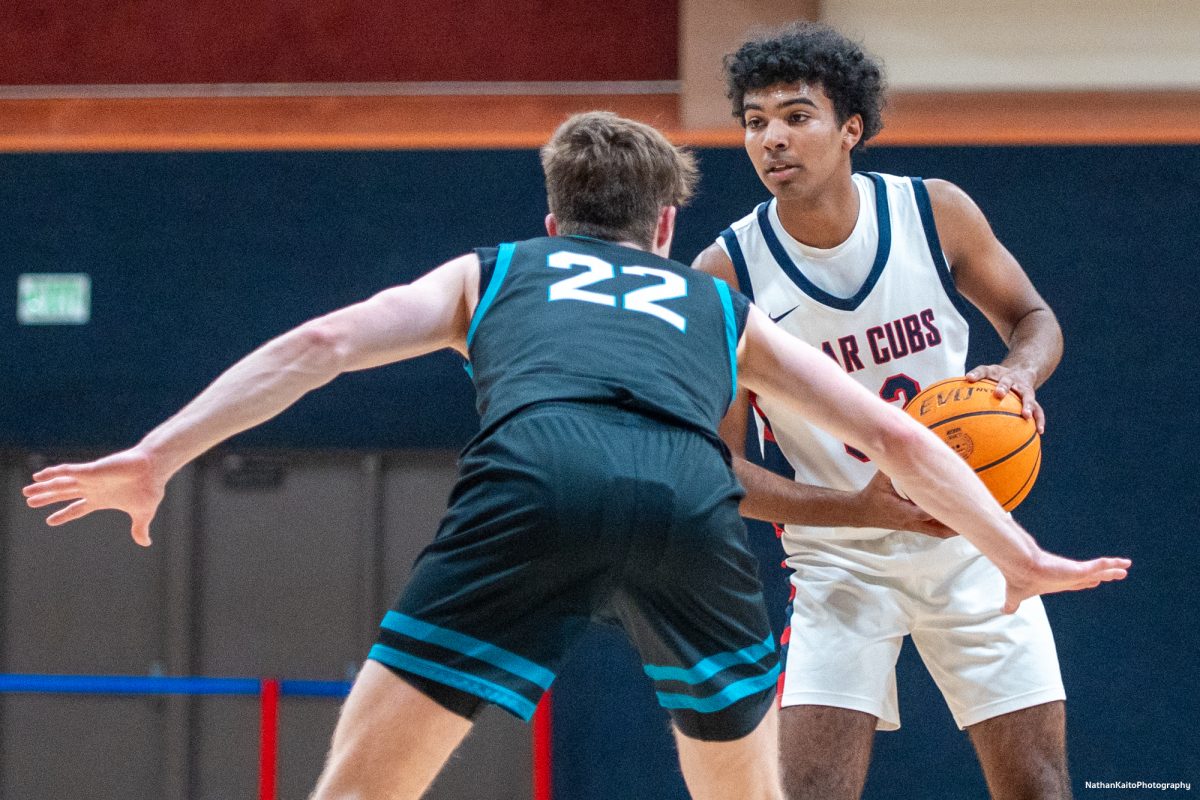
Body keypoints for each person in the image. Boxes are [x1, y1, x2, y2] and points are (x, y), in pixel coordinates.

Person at [23, 112, 1126, 800]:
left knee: (362, 787)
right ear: (660, 229)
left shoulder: (494, 270)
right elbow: (893, 436)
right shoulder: (714, 301)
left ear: (554, 219)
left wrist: (157, 453)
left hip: (535, 485)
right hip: (691, 507)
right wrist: (1017, 553)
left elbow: (320, 347)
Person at [693, 22, 1093, 800]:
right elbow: (715, 468)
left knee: (1040, 787)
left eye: (796, 116)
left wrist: (1018, 374)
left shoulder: (932, 212)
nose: (771, 137)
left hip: (970, 534)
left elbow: (1034, 319)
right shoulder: (724, 272)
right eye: (754, 121)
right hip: (841, 557)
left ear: (851, 129)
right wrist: (854, 509)